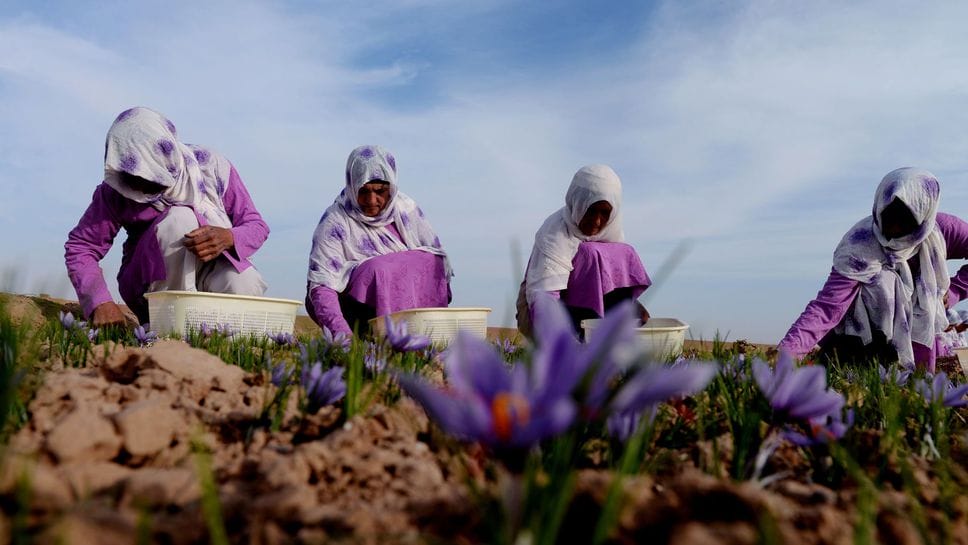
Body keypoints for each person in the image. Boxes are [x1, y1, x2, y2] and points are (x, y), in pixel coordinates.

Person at [65, 107, 269, 326]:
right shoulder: (117, 190)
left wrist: (228, 237)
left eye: (149, 174)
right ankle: (167, 325)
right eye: (132, 174)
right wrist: (99, 301)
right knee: (180, 219)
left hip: (210, 267)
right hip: (153, 283)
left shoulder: (211, 167)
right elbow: (82, 247)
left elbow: (256, 225)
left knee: (243, 281)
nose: (139, 186)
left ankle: (221, 340)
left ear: (167, 158)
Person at [778, 167, 968, 371]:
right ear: (879, 206)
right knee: (883, 283)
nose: (893, 231)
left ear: (923, 216)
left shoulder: (941, 231)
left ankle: (916, 380)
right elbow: (827, 307)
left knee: (920, 387)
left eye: (904, 221)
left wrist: (955, 290)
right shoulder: (860, 246)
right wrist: (786, 356)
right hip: (868, 337)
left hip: (920, 331)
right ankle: (867, 365)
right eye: (889, 218)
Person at [306, 145, 451, 336]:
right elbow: (321, 285)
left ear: (391, 187)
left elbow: (436, 266)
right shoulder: (336, 220)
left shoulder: (405, 210)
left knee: (432, 260)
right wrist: (342, 335)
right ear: (352, 185)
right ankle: (377, 335)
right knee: (378, 269)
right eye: (363, 191)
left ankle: (422, 334)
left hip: (408, 313)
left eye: (380, 191)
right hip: (355, 311)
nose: (371, 200)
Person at [516, 164, 651, 339]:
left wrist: (631, 305)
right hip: (540, 317)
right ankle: (580, 339)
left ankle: (608, 338)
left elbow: (607, 281)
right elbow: (544, 300)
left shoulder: (611, 232)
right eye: (591, 210)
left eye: (604, 213)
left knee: (625, 253)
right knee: (590, 253)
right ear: (577, 202)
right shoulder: (555, 233)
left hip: (588, 319)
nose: (596, 221)